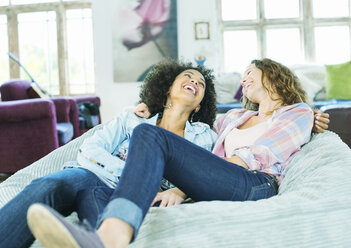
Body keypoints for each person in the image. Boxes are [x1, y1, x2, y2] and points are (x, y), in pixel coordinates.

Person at [27, 58, 328, 248]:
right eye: (243, 75)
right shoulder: (234, 117)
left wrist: (184, 189)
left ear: (274, 76)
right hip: (225, 177)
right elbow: (201, 138)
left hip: (254, 180)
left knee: (149, 135)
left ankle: (112, 238)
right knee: (96, 184)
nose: (244, 79)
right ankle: (98, 236)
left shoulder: (296, 112)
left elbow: (257, 156)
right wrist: (150, 109)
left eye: (251, 72)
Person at [0, 59, 218, 248]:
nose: (195, 82)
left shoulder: (204, 136)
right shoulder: (133, 118)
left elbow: (209, 173)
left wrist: (179, 192)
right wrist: (136, 177)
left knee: (99, 217)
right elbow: (91, 149)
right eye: (188, 77)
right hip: (95, 175)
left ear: (199, 106)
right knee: (48, 185)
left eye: (201, 83)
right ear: (168, 88)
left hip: (137, 198)